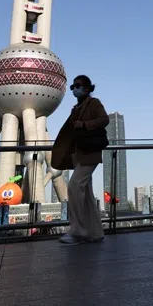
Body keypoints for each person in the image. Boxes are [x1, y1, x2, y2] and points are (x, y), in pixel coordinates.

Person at [51, 75, 110, 244]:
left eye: (78, 85)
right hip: (79, 154)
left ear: (88, 87)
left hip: (90, 153)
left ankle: (78, 231)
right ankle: (95, 232)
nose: (75, 89)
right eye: (73, 86)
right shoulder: (77, 107)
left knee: (74, 186)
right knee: (87, 194)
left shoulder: (94, 103)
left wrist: (84, 125)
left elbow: (104, 120)